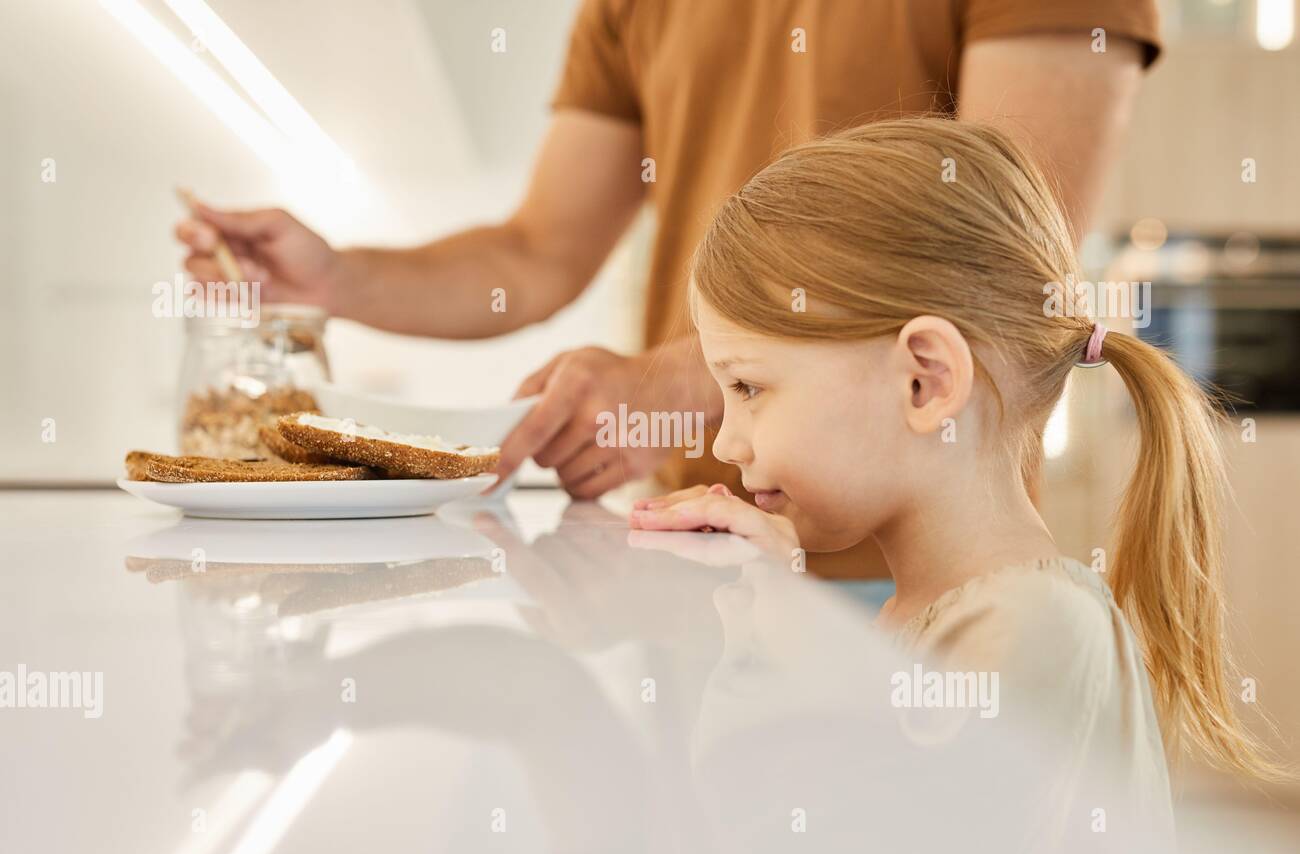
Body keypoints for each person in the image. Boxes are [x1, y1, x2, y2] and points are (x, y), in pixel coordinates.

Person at [176, 0, 1161, 577]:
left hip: (901, 569)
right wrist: (338, 278)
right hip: (700, 550)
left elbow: (989, 252)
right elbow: (536, 250)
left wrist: (680, 381)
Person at [629, 117, 1285, 783]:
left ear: (925, 381)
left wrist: (787, 624)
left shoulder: (1034, 627)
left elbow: (862, 827)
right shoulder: (925, 613)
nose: (725, 442)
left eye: (748, 386)